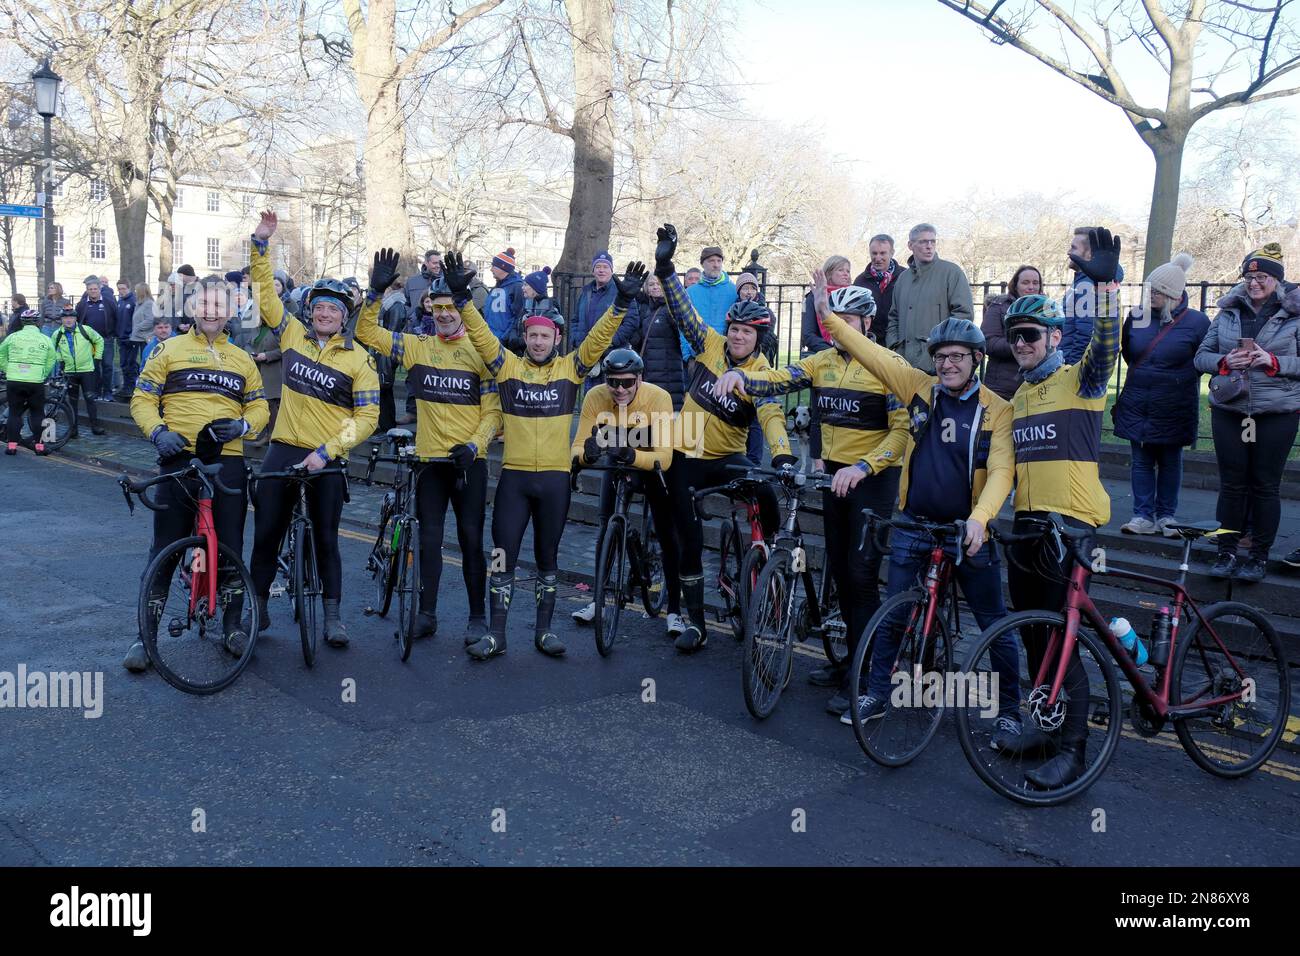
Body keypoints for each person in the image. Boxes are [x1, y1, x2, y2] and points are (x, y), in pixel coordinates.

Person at [812, 283, 1022, 744]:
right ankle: (875, 692)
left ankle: (1009, 710)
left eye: (958, 357)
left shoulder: (998, 410)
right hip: (914, 523)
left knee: (994, 621)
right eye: (942, 356)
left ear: (976, 360)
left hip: (966, 529)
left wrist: (980, 519)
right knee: (894, 612)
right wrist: (828, 317)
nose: (947, 364)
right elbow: (874, 355)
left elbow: (1004, 471)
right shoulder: (920, 389)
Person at [712, 283, 908, 715]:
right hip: (834, 476)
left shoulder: (888, 366)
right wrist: (742, 376)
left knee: (859, 577)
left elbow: (902, 432)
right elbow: (779, 379)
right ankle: (846, 665)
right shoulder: (821, 362)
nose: (837, 330)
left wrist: (863, 468)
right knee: (839, 569)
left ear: (866, 324)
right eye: (831, 322)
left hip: (871, 479)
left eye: (848, 323)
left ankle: (867, 675)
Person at [448, 250, 633, 662]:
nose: (537, 341)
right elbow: (480, 336)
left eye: (544, 336)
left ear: (556, 339)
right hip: (514, 480)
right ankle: (497, 634)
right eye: (531, 335)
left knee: (548, 558)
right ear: (525, 337)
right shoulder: (507, 368)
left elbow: (599, 339)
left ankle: (544, 632)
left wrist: (620, 305)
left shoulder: (571, 369)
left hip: (553, 481)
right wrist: (462, 301)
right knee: (502, 556)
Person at [997, 227, 1123, 789]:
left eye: (1029, 334)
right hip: (1028, 524)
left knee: (1063, 639)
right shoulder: (1020, 395)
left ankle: (1073, 747)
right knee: (1033, 636)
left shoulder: (1081, 381)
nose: (1020, 344)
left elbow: (1108, 344)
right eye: (1012, 337)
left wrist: (1106, 287)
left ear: (1052, 335)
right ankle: (1045, 728)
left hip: (1071, 527)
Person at [653, 223, 795, 654]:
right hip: (685, 449)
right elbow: (682, 311)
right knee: (689, 541)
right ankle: (695, 622)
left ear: (758, 339)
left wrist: (785, 456)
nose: (736, 335)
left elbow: (771, 419)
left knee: (767, 489)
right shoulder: (710, 343)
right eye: (733, 328)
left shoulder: (762, 375)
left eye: (745, 332)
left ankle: (766, 551)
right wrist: (665, 268)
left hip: (727, 455)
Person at [247, 211, 381, 649]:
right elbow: (267, 296)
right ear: (310, 312)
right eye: (319, 307)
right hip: (284, 447)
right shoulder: (291, 336)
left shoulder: (359, 359)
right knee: (266, 531)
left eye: (333, 310)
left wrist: (328, 451)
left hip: (326, 456)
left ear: (344, 318)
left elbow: (367, 418)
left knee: (326, 537)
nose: (325, 314)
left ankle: (333, 617)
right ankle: (259, 604)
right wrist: (260, 245)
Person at [123, 275, 270, 672]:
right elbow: (142, 398)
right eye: (205, 303)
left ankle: (233, 626)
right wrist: (158, 433)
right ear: (192, 308)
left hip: (229, 461)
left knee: (231, 548)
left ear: (231, 311)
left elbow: (259, 409)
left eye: (220, 305)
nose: (212, 311)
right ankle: (145, 637)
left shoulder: (242, 360)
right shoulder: (168, 349)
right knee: (165, 549)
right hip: (179, 457)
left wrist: (242, 427)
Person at [355, 268, 502, 643]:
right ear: (429, 310)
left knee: (471, 540)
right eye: (438, 309)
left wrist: (475, 446)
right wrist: (375, 292)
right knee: (429, 541)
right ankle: (427, 614)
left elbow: (494, 412)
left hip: (468, 462)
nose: (445, 314)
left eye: (451, 307)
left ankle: (476, 617)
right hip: (429, 462)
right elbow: (366, 333)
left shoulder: (481, 352)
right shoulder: (418, 345)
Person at [1195, 243, 1300, 583]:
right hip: (1232, 409)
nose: (1254, 283)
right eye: (1249, 276)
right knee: (1232, 484)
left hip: (1275, 411)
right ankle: (1226, 552)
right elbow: (1201, 357)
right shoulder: (1228, 312)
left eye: (1263, 276)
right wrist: (1225, 362)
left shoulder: (1294, 314)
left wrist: (1274, 362)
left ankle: (1257, 557)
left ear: (1277, 280)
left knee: (1265, 485)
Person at [570, 348, 682, 637]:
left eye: (627, 382)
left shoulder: (658, 397)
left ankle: (675, 612)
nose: (620, 389)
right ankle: (597, 600)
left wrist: (630, 454)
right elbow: (578, 447)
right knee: (607, 523)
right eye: (613, 382)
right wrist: (587, 456)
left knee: (668, 533)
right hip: (618, 460)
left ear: (640, 379)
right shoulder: (595, 396)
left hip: (653, 464)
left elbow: (664, 458)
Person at [1114, 253, 1209, 537]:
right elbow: (1130, 354)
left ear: (1173, 295)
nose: (1151, 295)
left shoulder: (1197, 322)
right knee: (1141, 460)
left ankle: (1166, 516)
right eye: (1149, 289)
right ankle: (1142, 516)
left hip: (1174, 404)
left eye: (1157, 291)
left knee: (1170, 460)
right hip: (1138, 400)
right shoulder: (1136, 317)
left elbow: (1202, 360)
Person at [886, 224, 973, 373]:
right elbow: (894, 318)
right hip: (902, 365)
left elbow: (963, 317)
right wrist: (894, 348)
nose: (929, 246)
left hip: (938, 365)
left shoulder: (951, 273)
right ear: (910, 245)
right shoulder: (903, 279)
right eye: (923, 242)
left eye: (933, 242)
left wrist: (937, 354)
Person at [608, 273, 686, 410]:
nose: (655, 287)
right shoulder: (649, 310)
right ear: (647, 288)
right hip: (650, 371)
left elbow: (682, 335)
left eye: (658, 284)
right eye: (651, 284)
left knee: (667, 418)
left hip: (668, 374)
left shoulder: (670, 309)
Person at [1061, 226, 1126, 365]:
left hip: (1073, 369)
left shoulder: (1088, 285)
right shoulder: (1083, 282)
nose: (1068, 252)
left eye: (1073, 248)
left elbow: (1085, 333)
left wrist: (1070, 368)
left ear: (1090, 254)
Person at [981, 265, 1043, 400]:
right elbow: (988, 342)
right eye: (1025, 282)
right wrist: (1022, 343)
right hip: (1003, 386)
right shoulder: (998, 306)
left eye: (1035, 283)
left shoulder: (1047, 309)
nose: (1031, 287)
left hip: (1039, 384)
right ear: (1015, 285)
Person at [0, 309, 56, 455]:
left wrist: (8, 369)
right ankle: (39, 447)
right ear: (38, 322)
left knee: (14, 413)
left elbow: (1, 354)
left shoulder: (12, 337)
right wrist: (43, 373)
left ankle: (11, 447)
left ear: (23, 322)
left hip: (14, 379)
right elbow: (51, 359)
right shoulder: (45, 339)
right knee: (37, 413)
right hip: (35, 380)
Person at [50, 305, 106, 438]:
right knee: (72, 402)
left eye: (71, 317)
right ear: (61, 319)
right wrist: (61, 360)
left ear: (75, 318)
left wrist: (97, 359)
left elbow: (99, 341)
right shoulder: (57, 334)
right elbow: (53, 349)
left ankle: (95, 426)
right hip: (70, 372)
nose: (68, 320)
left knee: (90, 399)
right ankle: (73, 430)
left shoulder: (85, 330)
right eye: (65, 317)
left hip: (87, 370)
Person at [681, 246, 736, 360]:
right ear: (702, 264)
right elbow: (682, 324)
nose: (716, 265)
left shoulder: (734, 291)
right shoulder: (690, 292)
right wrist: (687, 356)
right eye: (711, 261)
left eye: (719, 261)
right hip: (697, 355)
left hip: (726, 355)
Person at [74, 276, 117, 400]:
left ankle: (108, 392)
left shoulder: (109, 302)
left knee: (108, 366)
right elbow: (77, 321)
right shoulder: (82, 304)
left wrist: (114, 333)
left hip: (106, 339)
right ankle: (97, 391)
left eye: (95, 289)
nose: (93, 291)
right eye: (90, 289)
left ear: (100, 289)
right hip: (89, 342)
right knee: (94, 367)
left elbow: (116, 317)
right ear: (87, 290)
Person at [852, 234, 904, 326]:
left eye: (882, 253)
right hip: (869, 338)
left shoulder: (905, 277)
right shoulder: (860, 281)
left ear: (892, 253)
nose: (878, 258)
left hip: (899, 336)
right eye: (874, 253)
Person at [483, 247, 525, 345]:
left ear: (503, 267)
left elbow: (518, 317)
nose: (491, 269)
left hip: (503, 343)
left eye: (494, 266)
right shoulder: (495, 288)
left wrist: (505, 337)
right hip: (490, 340)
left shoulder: (517, 287)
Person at [112, 279, 139, 400]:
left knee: (130, 363)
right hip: (121, 337)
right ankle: (126, 386)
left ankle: (131, 386)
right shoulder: (120, 301)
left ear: (129, 288)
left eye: (123, 289)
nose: (121, 291)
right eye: (119, 289)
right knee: (123, 363)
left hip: (130, 337)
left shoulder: (133, 301)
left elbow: (136, 320)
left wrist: (132, 334)